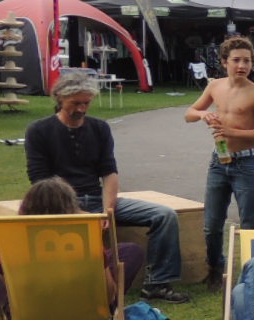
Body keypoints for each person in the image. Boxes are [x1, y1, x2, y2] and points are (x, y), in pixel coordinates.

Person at [24, 71, 190, 303]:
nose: (82, 109)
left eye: (86, 103)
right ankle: (76, 285)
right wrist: (77, 213)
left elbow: (109, 172)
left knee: (165, 215)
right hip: (59, 206)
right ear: (59, 98)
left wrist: (108, 210)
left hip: (97, 200)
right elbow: (40, 181)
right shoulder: (38, 130)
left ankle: (157, 283)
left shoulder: (100, 128)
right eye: (75, 103)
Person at [184, 36, 254, 290]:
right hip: (219, 161)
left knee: (250, 222)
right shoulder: (215, 86)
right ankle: (215, 268)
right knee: (212, 224)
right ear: (225, 62)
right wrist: (203, 114)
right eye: (236, 60)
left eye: (247, 61)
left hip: (246, 163)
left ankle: (253, 274)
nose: (241, 65)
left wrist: (232, 131)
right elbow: (189, 114)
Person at [18, 175, 146, 303]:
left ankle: (15, 305)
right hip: (87, 304)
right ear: (71, 207)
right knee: (130, 251)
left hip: (31, 304)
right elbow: (109, 294)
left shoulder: (17, 241)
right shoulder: (82, 240)